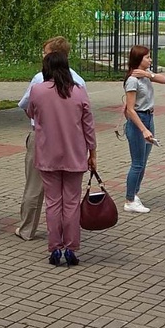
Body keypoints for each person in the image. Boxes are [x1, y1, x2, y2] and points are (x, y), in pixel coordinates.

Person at [26, 52, 97, 266]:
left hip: (48, 154)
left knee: (53, 202)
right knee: (72, 202)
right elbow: (88, 125)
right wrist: (92, 152)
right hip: (75, 153)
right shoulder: (79, 91)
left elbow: (30, 113)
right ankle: (71, 248)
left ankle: (55, 247)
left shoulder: (37, 90)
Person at [15, 37, 86, 240]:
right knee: (69, 195)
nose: (43, 56)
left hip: (42, 137)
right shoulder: (79, 81)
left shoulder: (39, 79)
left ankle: (27, 229)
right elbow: (84, 114)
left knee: (35, 187)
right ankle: (66, 233)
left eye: (45, 52)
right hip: (72, 140)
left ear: (54, 55)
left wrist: (39, 119)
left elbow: (26, 106)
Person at [122, 45, 165, 214]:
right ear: (138, 59)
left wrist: (149, 74)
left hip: (149, 117)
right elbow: (130, 109)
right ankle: (129, 200)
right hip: (139, 120)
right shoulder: (133, 80)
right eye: (147, 57)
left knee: (143, 161)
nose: (150, 60)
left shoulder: (145, 75)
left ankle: (135, 194)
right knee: (137, 163)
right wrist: (143, 130)